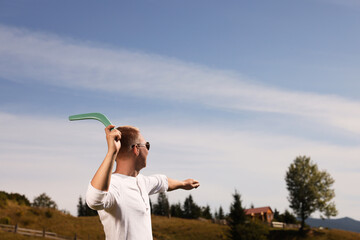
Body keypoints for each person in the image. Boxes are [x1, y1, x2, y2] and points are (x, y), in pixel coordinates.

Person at [86, 125, 200, 240]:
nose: (148, 150)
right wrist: (111, 152)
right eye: (147, 145)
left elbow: (162, 181)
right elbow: (94, 200)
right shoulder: (112, 184)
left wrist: (183, 184)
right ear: (136, 149)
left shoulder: (142, 182)